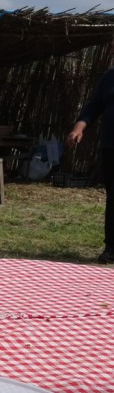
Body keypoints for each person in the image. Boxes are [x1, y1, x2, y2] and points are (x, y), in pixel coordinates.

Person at [68, 66, 114, 263]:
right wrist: (79, 127)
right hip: (111, 146)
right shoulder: (109, 77)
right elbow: (94, 106)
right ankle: (112, 247)